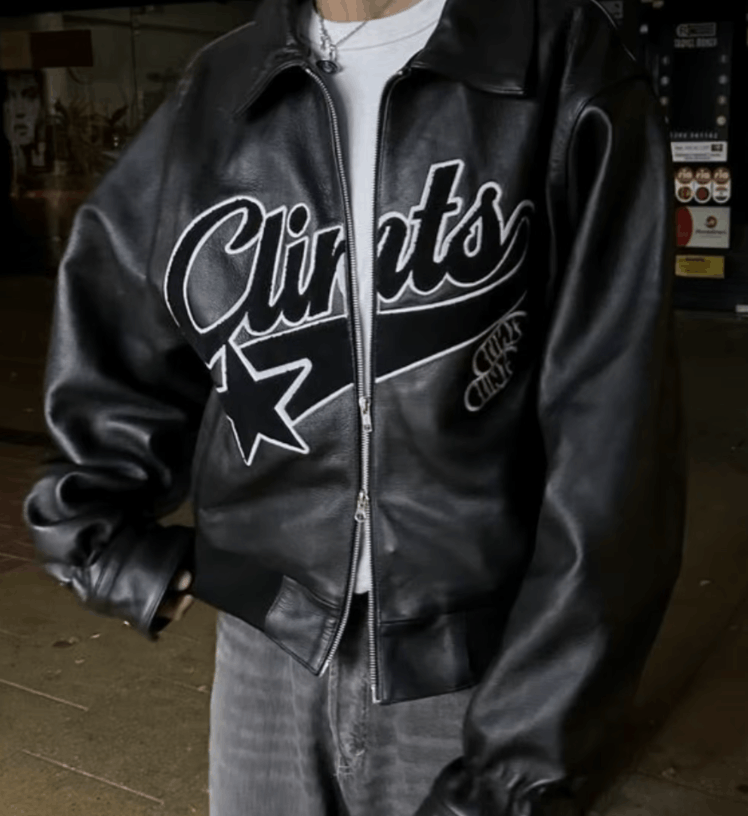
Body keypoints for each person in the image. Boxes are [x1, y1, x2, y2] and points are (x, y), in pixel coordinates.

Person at [24, 0, 687, 814]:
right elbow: (117, 299)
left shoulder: (558, 60)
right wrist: (99, 534)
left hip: (472, 667)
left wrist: (523, 756)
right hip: (267, 660)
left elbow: (614, 449)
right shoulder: (222, 83)